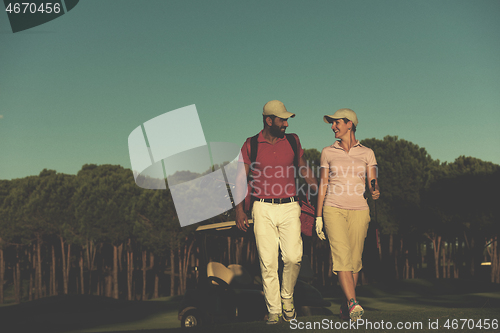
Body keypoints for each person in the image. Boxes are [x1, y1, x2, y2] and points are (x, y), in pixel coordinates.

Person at [235, 100, 317, 324]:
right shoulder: (251, 144)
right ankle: (274, 311)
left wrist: (319, 191)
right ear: (268, 120)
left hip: (291, 206)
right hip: (261, 208)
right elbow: (241, 178)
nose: (286, 124)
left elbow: (303, 168)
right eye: (282, 120)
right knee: (268, 262)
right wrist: (240, 210)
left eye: (287, 120)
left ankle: (287, 297)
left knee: (293, 257)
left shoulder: (292, 140)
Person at [315, 108, 380, 321]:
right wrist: (318, 216)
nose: (333, 127)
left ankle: (346, 306)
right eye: (332, 124)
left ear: (349, 124)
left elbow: (372, 180)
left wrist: (375, 189)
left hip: (360, 210)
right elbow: (323, 184)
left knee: (354, 261)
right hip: (333, 208)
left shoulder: (367, 153)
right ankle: (353, 302)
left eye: (337, 123)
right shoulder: (327, 152)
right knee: (341, 256)